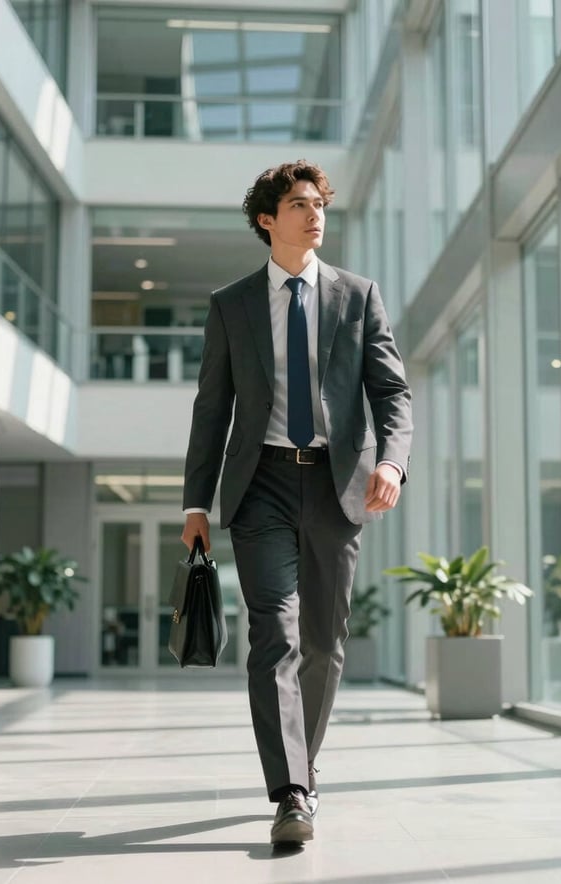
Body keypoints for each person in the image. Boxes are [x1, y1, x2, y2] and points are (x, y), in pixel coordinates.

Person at [181, 159, 412, 846]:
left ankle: (302, 768)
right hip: (262, 486)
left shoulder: (357, 296)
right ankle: (290, 792)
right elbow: (211, 408)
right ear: (266, 219)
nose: (314, 214)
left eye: (319, 203)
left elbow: (393, 393)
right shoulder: (233, 304)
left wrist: (393, 461)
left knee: (322, 643)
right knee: (273, 636)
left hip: (336, 486)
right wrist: (195, 502)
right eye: (298, 204)